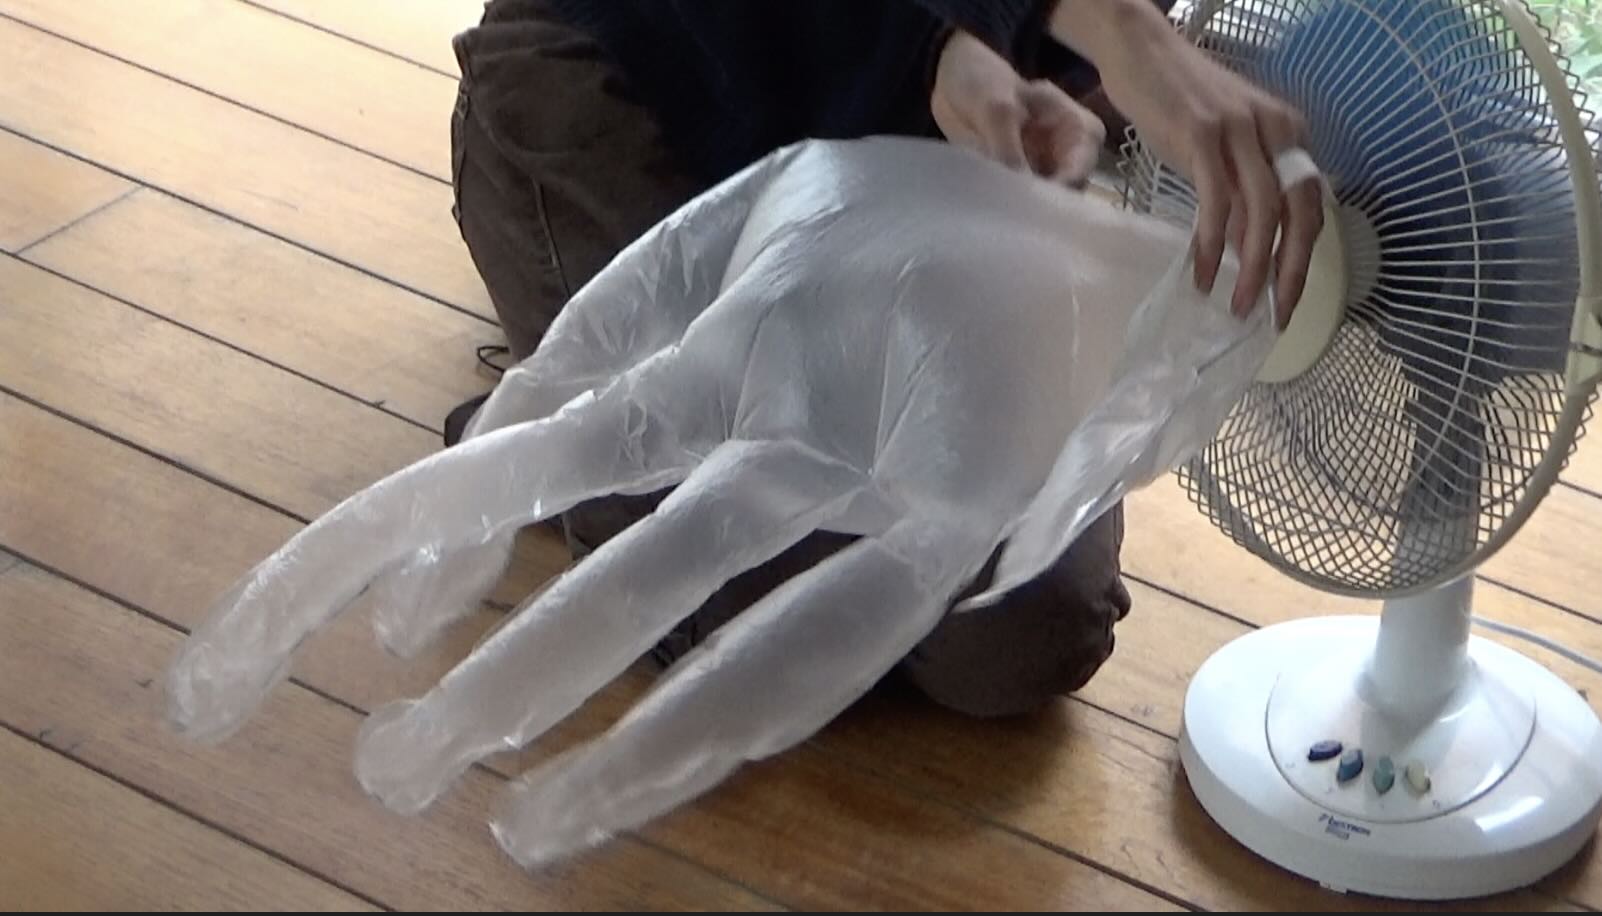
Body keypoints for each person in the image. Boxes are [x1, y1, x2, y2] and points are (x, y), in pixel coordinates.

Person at [443, 0, 1323, 717]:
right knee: (724, 545)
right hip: (637, 71)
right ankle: (576, 437)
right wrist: (1086, 29)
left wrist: (998, 61)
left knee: (1024, 623)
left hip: (911, 143)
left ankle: (644, 430)